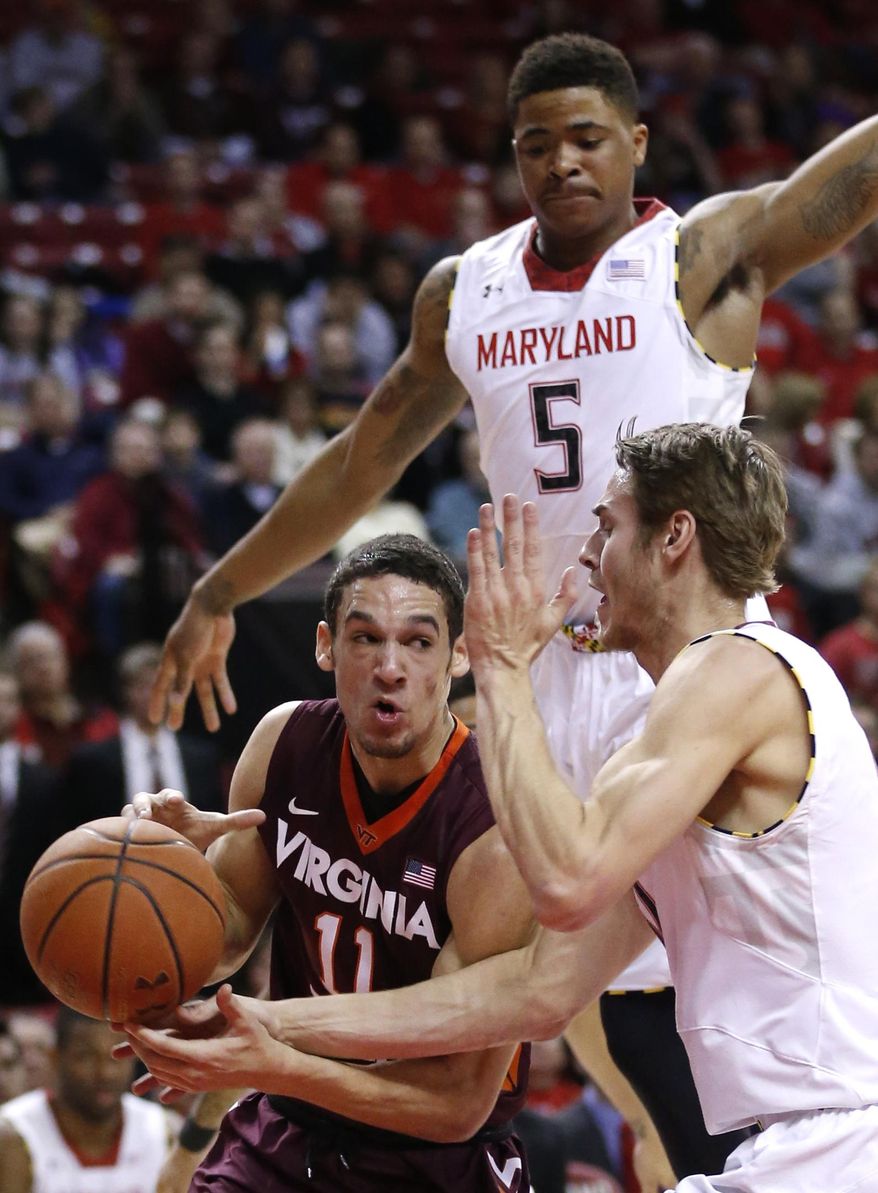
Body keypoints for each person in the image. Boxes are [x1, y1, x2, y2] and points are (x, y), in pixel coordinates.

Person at [148, 30, 878, 1181]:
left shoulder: (694, 256)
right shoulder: (468, 290)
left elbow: (837, 189)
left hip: (656, 656)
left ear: (635, 144)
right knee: (556, 1011)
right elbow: (360, 456)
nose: (560, 164)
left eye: (586, 138)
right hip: (533, 670)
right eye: (534, 144)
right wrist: (224, 582)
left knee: (664, 991)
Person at [126, 425, 878, 1193]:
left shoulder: (740, 664)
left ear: (675, 536)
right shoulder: (680, 744)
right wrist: (263, 1027)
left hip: (839, 1140)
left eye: (609, 526)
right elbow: (534, 993)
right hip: (801, 1148)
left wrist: (505, 667)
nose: (586, 556)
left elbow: (567, 881)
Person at [123, 534, 535, 1191]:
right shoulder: (283, 742)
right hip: (289, 1128)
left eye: (419, 641)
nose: (390, 666)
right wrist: (166, 871)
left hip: (431, 1155)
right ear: (325, 644)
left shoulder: (497, 822)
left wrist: (267, 1060)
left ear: (461, 655)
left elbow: (455, 1103)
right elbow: (226, 938)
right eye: (365, 637)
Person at [0, 1005, 173, 1192]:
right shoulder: (13, 1134)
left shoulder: (165, 1131)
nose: (105, 1073)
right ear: (55, 1057)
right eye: (86, 1056)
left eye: (117, 1056)